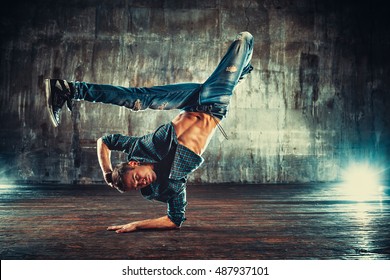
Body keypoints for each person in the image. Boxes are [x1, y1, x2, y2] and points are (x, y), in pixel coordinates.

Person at [45, 31, 254, 233]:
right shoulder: (170, 187)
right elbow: (174, 220)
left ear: (134, 164)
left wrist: (107, 172)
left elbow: (105, 141)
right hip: (214, 103)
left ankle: (70, 89)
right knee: (246, 43)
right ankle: (238, 75)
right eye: (136, 187)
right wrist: (136, 224)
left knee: (138, 98)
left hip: (190, 102)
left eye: (136, 179)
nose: (141, 184)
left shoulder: (138, 147)